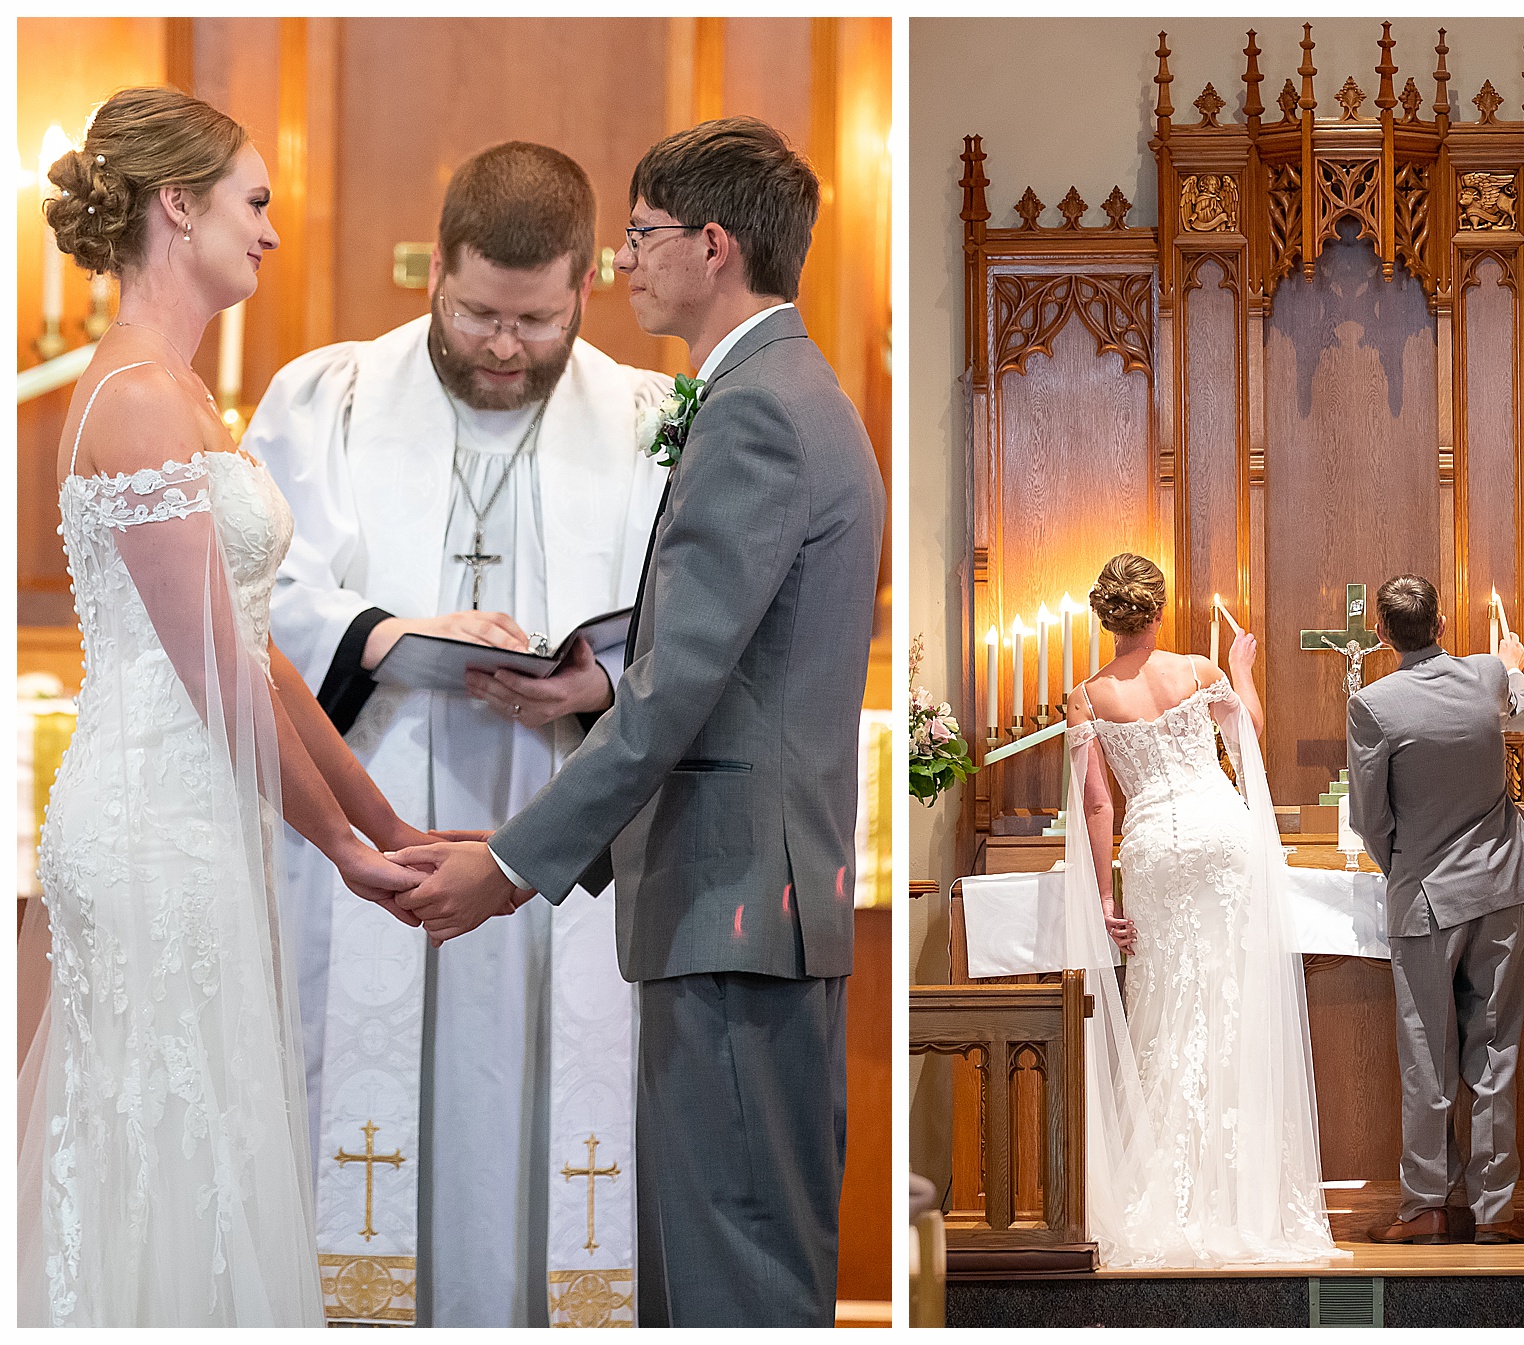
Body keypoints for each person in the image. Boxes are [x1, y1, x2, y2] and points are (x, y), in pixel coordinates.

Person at [389, 117, 884, 1326]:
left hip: (730, 913)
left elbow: (680, 693)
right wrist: (597, 687)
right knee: (728, 1248)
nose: (626, 259)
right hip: (748, 905)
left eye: (644, 233)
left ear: (714, 244)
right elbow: (725, 665)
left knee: (732, 1271)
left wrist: (507, 866)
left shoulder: (759, 409)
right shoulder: (789, 393)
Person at [18, 86, 425, 1327]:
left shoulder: (185, 396)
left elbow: (266, 661)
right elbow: (217, 681)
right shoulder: (137, 402)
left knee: (205, 1132)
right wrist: (344, 853)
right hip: (150, 817)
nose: (270, 232)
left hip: (195, 807)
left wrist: (388, 823)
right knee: (164, 1143)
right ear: (175, 206)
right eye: (254, 202)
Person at [248, 142, 668, 1327]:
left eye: (536, 320)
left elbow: (692, 630)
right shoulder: (322, 397)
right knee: (359, 1103)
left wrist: (592, 685)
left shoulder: (646, 422)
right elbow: (245, 595)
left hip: (555, 833)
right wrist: (385, 632)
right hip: (369, 808)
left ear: (585, 283)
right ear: (433, 267)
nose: (502, 344)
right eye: (478, 310)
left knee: (544, 1097)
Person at [1062, 554, 1339, 1267]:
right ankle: (1241, 1195)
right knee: (1230, 998)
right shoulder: (1197, 670)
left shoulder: (1087, 696)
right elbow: (1248, 743)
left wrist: (1101, 894)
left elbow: (1097, 804)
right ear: (1157, 610)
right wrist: (1241, 667)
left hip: (1153, 846)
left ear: (1109, 616)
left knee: (1163, 1001)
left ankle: (1171, 1192)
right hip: (1221, 837)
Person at [1346, 574, 1524, 1246]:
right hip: (1498, 888)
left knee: (1427, 1059)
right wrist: (1516, 665)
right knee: (1494, 1050)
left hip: (1427, 900)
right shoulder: (1486, 673)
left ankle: (1427, 1207)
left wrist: (1407, 866)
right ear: (1440, 624)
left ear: (1381, 633)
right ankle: (1496, 1212)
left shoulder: (1372, 704)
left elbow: (1369, 817)